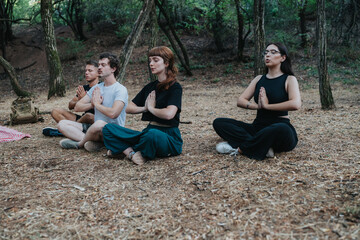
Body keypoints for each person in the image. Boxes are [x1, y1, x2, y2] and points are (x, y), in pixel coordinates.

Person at [213, 42, 301, 160]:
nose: (267, 55)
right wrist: (258, 107)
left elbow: (295, 104)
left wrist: (267, 106)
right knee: (219, 123)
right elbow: (241, 100)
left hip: (280, 127)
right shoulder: (259, 79)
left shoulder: (289, 79)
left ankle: (241, 149)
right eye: (266, 52)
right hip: (257, 128)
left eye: (273, 52)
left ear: (283, 58)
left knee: (280, 128)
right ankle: (263, 147)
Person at [102, 46, 183, 165]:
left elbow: (169, 114)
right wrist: (144, 108)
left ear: (166, 63)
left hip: (168, 136)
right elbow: (128, 108)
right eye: (150, 60)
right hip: (148, 131)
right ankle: (131, 153)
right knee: (108, 128)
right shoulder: (150, 87)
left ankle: (120, 149)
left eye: (155, 60)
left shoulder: (175, 87)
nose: (151, 64)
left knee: (152, 135)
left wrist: (151, 108)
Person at [58, 52, 128, 151]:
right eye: (99, 65)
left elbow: (113, 113)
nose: (99, 67)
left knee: (99, 123)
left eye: (103, 65)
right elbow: (78, 107)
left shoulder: (120, 89)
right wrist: (91, 104)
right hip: (94, 129)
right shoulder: (97, 87)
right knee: (62, 124)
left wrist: (97, 105)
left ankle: (80, 144)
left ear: (113, 69)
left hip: (112, 131)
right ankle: (95, 143)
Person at [42, 60, 99, 136]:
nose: (86, 73)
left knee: (88, 116)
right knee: (55, 111)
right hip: (82, 120)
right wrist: (79, 100)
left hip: (93, 119)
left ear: (98, 73)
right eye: (86, 70)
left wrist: (85, 100)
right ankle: (71, 130)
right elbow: (70, 105)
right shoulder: (83, 88)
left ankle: (68, 130)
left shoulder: (101, 87)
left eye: (90, 71)